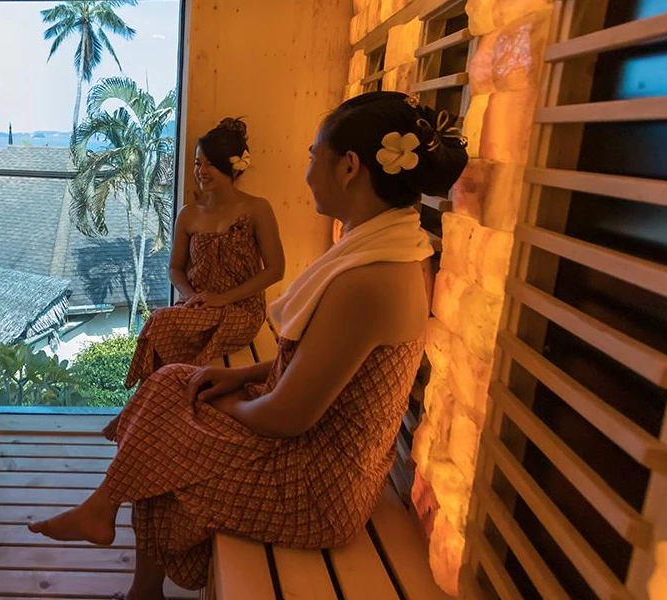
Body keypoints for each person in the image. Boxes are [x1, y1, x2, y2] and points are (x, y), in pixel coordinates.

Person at [26, 92, 469, 598]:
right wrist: (238, 377)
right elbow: (320, 368)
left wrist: (212, 407)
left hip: (319, 485)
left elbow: (285, 417)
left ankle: (127, 559)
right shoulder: (393, 253)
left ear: (349, 167)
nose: (308, 172)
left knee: (168, 434)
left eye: (313, 155)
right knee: (173, 387)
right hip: (315, 445)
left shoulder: (371, 280)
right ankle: (107, 514)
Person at [119, 117, 285, 399]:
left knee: (162, 325)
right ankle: (158, 398)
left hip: (241, 310)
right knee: (159, 323)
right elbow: (175, 269)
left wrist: (222, 298)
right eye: (198, 163)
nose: (201, 171)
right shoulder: (189, 214)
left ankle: (161, 399)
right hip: (197, 306)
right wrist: (191, 296)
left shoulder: (257, 209)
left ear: (231, 167)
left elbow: (275, 269)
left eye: (210, 165)